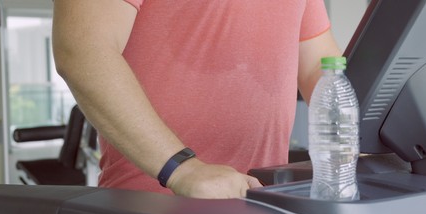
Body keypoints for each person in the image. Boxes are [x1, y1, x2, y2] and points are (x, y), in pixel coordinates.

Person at [52, 0, 341, 199]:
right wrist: (180, 169)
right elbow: (81, 48)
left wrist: (363, 136)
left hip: (262, 206)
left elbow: (320, 67)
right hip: (156, 209)